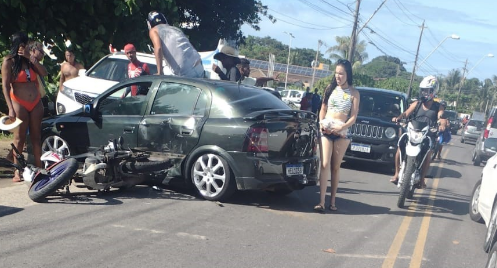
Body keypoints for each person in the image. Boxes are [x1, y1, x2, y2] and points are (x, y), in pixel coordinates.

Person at [313, 59, 360, 212]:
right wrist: (321, 122)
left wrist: (342, 127)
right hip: (326, 129)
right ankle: (321, 201)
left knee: (335, 167)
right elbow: (323, 108)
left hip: (342, 132)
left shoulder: (354, 93)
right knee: (324, 163)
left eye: (341, 73)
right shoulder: (330, 89)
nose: (338, 76)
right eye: (336, 73)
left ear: (348, 74)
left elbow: (353, 117)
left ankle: (332, 201)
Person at [1, 32, 47, 181]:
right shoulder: (9, 61)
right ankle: (17, 171)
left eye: (25, 45)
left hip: (35, 103)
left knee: (36, 137)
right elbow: (6, 86)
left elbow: (44, 73)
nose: (24, 47)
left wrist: (31, 58)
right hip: (19, 102)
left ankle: (39, 168)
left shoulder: (29, 61)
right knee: (19, 138)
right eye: (22, 45)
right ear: (16, 45)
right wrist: (10, 107)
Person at [389, 75, 446, 188]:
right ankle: (396, 174)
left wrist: (442, 123)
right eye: (423, 90)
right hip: (413, 131)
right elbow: (406, 113)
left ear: (433, 91)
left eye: (427, 90)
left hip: (428, 134)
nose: (424, 93)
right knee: (400, 147)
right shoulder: (417, 103)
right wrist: (399, 117)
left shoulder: (438, 106)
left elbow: (441, 117)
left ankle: (422, 179)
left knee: (428, 153)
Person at [147, 11, 204, 78]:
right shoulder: (175, 29)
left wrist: (160, 72)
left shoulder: (153, 30)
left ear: (150, 24)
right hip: (199, 65)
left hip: (185, 71)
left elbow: (158, 48)